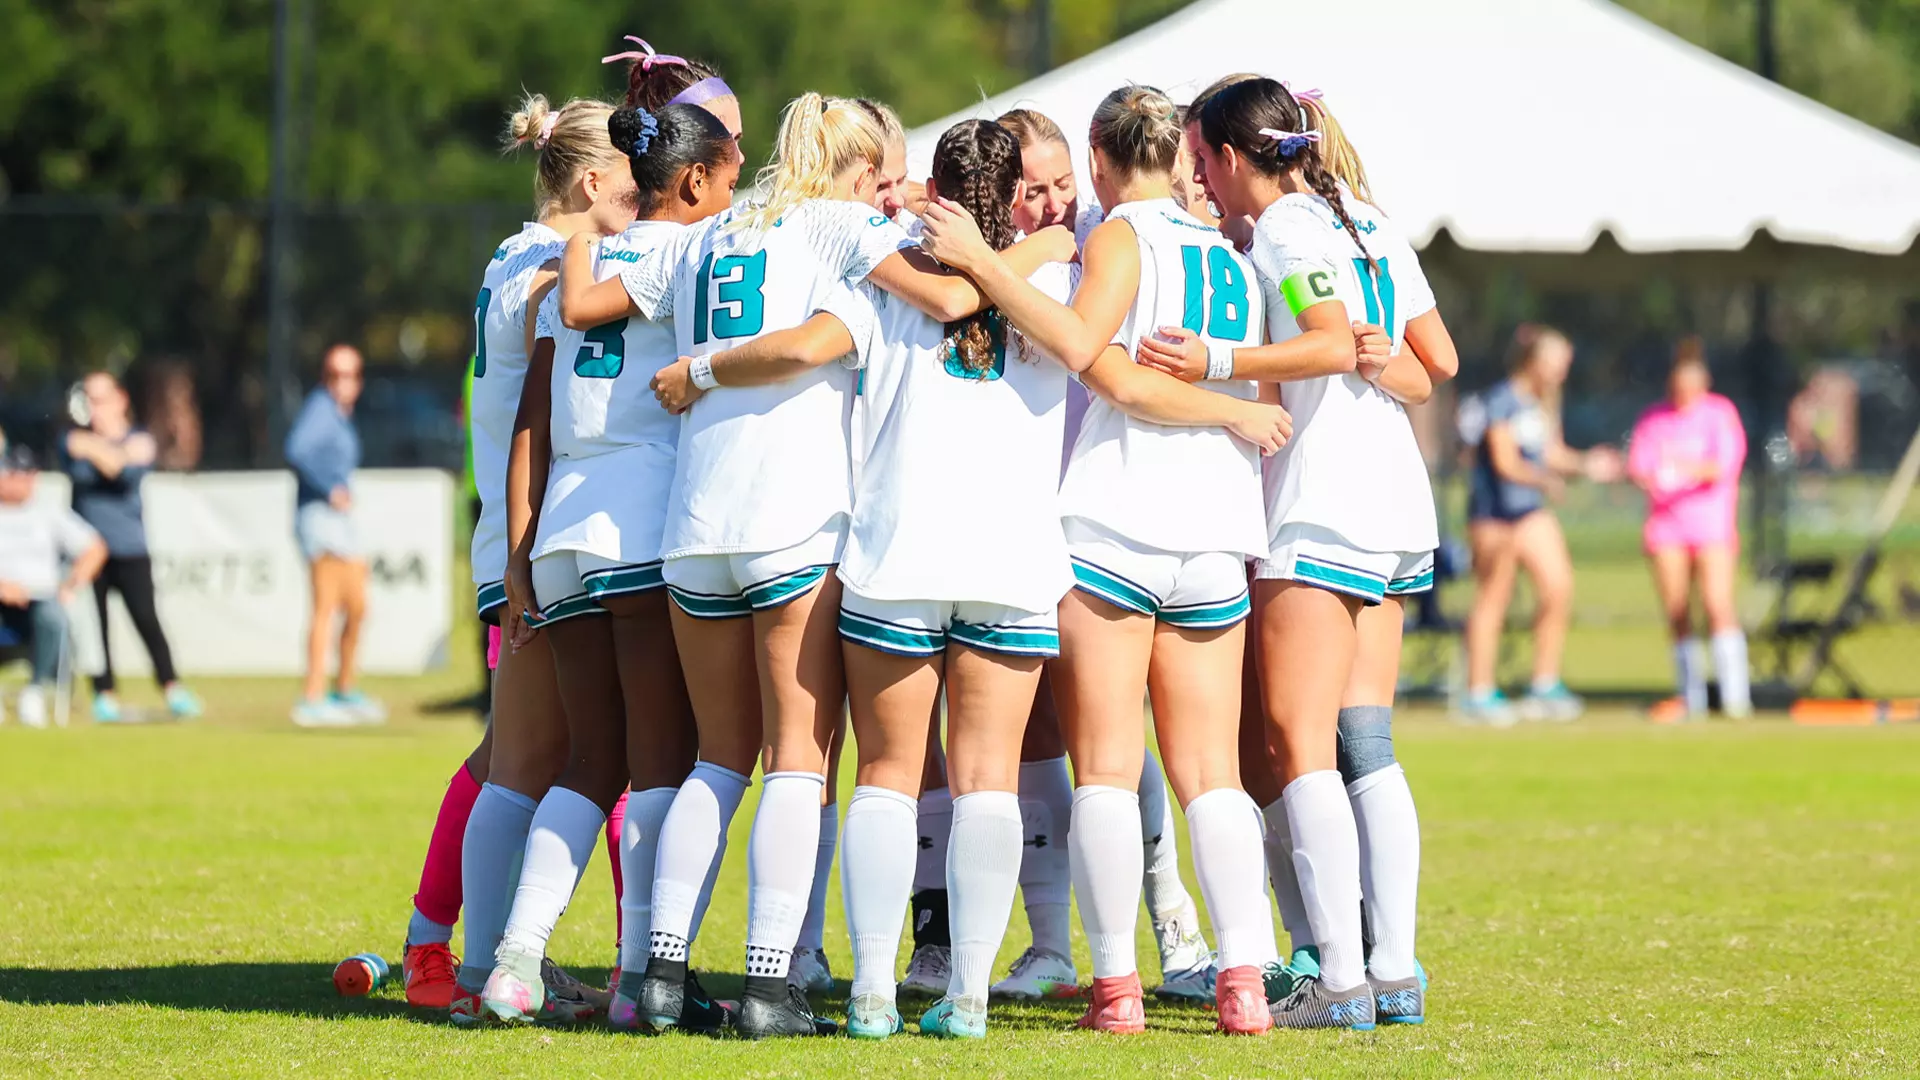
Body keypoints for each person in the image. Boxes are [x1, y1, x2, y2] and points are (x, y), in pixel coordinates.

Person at [625, 92, 1069, 1040]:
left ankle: (659, 972)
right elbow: (953, 297)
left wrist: (697, 371)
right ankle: (776, 983)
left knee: (721, 758)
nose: (890, 187)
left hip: (698, 515)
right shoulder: (845, 231)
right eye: (882, 171)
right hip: (801, 520)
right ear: (858, 167)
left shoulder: (716, 232)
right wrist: (1048, 247)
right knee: (806, 759)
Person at [921, 85, 1300, 1035]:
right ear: (1177, 154)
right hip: (1215, 532)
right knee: (1209, 772)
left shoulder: (1122, 239)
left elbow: (1089, 353)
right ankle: (1243, 982)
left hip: (1117, 524)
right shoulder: (1231, 257)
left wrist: (980, 262)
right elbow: (1215, 379)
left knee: (1101, 769)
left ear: (1098, 157)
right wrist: (1234, 408)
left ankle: (1116, 990)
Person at [1163, 76, 1440, 1029]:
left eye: (1203, 162)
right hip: (1396, 496)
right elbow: (1430, 364)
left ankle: (1341, 981)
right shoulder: (1364, 216)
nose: (1204, 181)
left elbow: (1324, 344)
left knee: (1297, 743)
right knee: (1366, 742)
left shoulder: (1285, 227)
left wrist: (1218, 363)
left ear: (1236, 157)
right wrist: (1368, 352)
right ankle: (1392, 971)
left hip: (1322, 502)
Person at [481, 101, 739, 1031]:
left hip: (560, 531)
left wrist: (518, 550)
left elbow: (533, 418)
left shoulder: (577, 257)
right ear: (691, 179)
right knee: (663, 757)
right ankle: (642, 980)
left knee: (589, 760)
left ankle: (512, 964)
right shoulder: (690, 255)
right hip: (640, 523)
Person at [438, 92, 637, 1025]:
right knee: (526, 761)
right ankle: (485, 966)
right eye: (632, 189)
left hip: (514, 540)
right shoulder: (550, 269)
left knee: (525, 759)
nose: (639, 207)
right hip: (533, 542)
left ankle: (486, 965)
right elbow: (536, 424)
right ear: (591, 180)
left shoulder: (509, 253)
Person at [1460, 325, 1622, 724]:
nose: (1561, 372)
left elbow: (1552, 453)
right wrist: (1544, 479)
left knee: (1558, 586)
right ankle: (1478, 694)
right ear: (1533, 361)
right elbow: (1505, 462)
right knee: (1493, 599)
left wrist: (1588, 463)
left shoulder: (1545, 402)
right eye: (1556, 363)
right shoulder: (1501, 400)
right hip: (1494, 515)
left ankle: (1543, 684)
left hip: (1529, 512)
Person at [61, 371, 200, 721]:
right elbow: (100, 456)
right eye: (88, 399)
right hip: (89, 551)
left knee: (146, 619)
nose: (94, 408)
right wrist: (105, 450)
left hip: (129, 547)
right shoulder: (71, 439)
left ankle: (172, 687)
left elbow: (117, 465)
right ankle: (103, 693)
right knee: (95, 628)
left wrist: (95, 448)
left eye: (101, 398)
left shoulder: (138, 438)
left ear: (120, 399)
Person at [1629, 337, 1751, 721]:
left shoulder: (1720, 414)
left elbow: (1723, 466)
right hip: (1667, 528)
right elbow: (1639, 466)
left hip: (1711, 525)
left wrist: (1680, 468)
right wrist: (1656, 476)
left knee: (1717, 603)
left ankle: (1735, 696)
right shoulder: (1654, 419)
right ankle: (1692, 696)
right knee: (1678, 610)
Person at [283, 344, 383, 727]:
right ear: (325, 377)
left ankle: (344, 687)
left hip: (339, 522)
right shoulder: (321, 409)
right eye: (336, 374)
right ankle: (313, 695)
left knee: (357, 605)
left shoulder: (339, 415)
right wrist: (329, 488)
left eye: (352, 374)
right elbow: (297, 450)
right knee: (327, 606)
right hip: (320, 517)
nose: (344, 383)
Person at [0, 443, 107, 728]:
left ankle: (35, 691)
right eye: (17, 474)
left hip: (39, 600)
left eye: (30, 474)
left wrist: (71, 584)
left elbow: (94, 548)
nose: (26, 481)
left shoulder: (47, 512)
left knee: (53, 616)